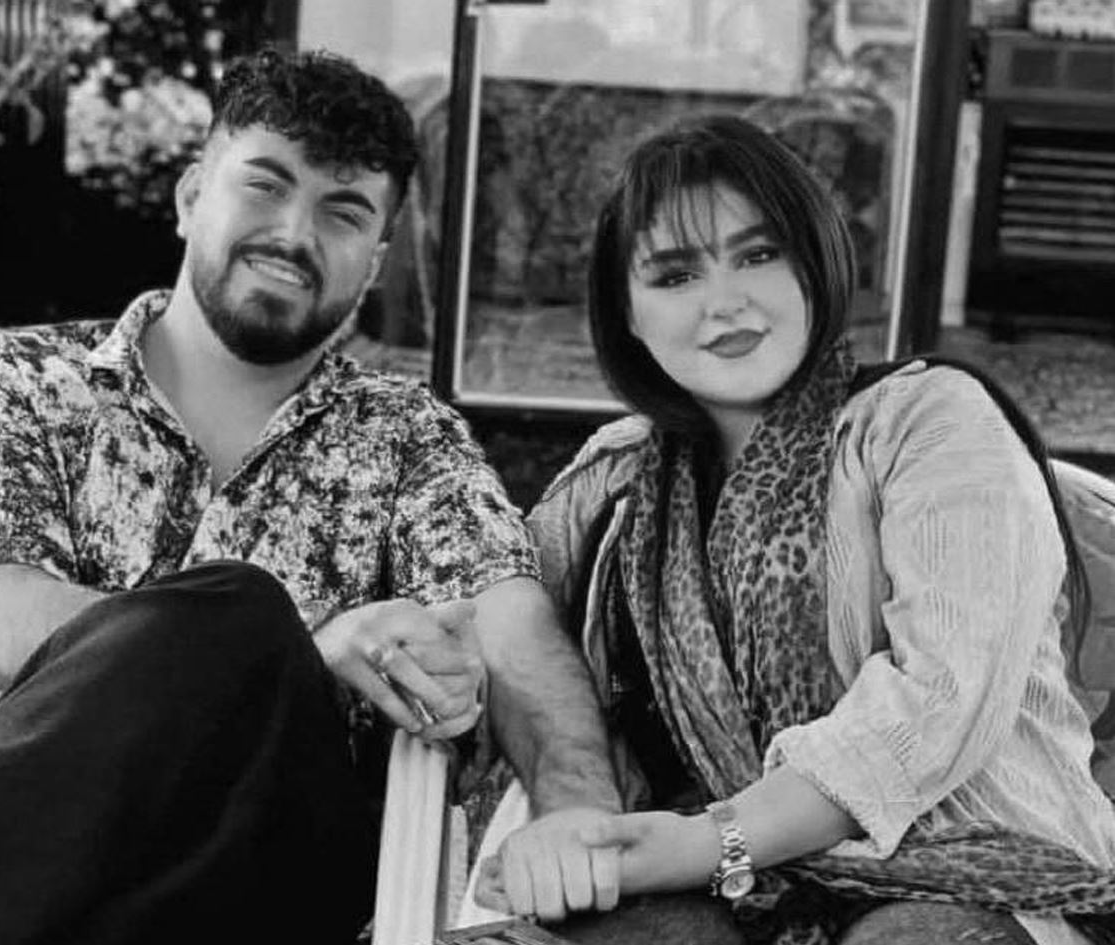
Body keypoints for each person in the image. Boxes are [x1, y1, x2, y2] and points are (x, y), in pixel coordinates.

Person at [0, 49, 624, 945]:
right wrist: (302, 652)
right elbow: (1, 627)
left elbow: (515, 636)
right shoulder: (10, 379)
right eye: (265, 184)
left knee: (246, 626)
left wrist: (579, 814)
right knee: (241, 615)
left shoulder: (407, 438)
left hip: (250, 888)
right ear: (191, 196)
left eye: (343, 212)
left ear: (377, 262)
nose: (294, 235)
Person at [475, 113, 1115, 945]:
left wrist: (709, 840)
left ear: (815, 259)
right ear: (627, 313)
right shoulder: (620, 479)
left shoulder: (931, 421)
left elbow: (939, 700)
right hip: (735, 896)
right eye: (676, 275)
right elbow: (490, 613)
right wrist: (570, 807)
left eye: (758, 254)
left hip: (986, 877)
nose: (725, 302)